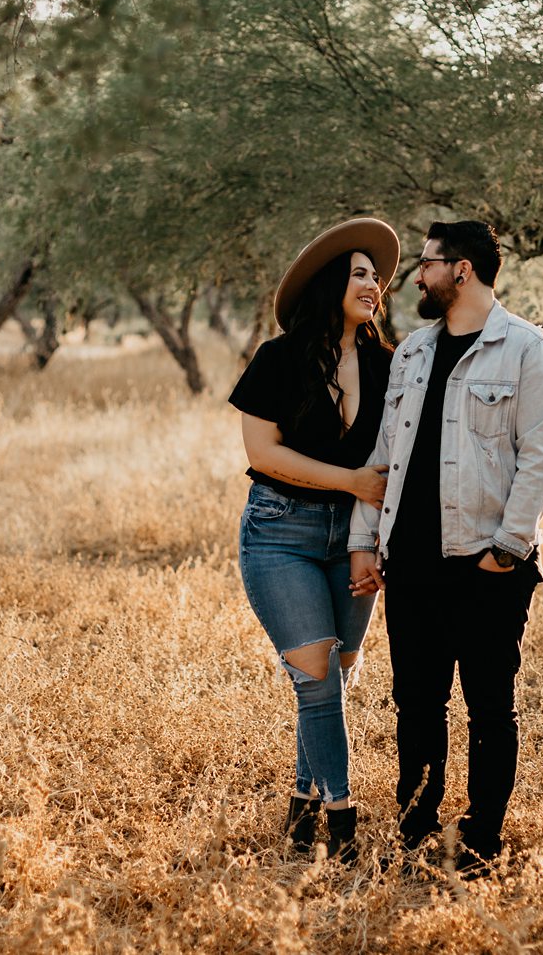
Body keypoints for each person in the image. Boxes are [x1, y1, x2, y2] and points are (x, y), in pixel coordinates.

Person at [348, 220, 543, 876]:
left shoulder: (527, 349)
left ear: (462, 269)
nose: (416, 276)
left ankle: (479, 841)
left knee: (489, 707)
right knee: (415, 703)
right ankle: (415, 830)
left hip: (486, 565)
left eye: (427, 263)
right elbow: (383, 452)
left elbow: (542, 455)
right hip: (410, 563)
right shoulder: (412, 351)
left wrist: (506, 548)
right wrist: (365, 540)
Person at [230, 217, 400, 864]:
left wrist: (368, 531)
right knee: (317, 682)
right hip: (280, 533)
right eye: (360, 273)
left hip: (354, 540)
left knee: (334, 677)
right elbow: (262, 452)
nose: (374, 284)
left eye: (377, 276)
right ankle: (342, 822)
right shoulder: (279, 358)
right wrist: (354, 481)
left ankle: (301, 804)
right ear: (331, 282)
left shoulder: (389, 365)